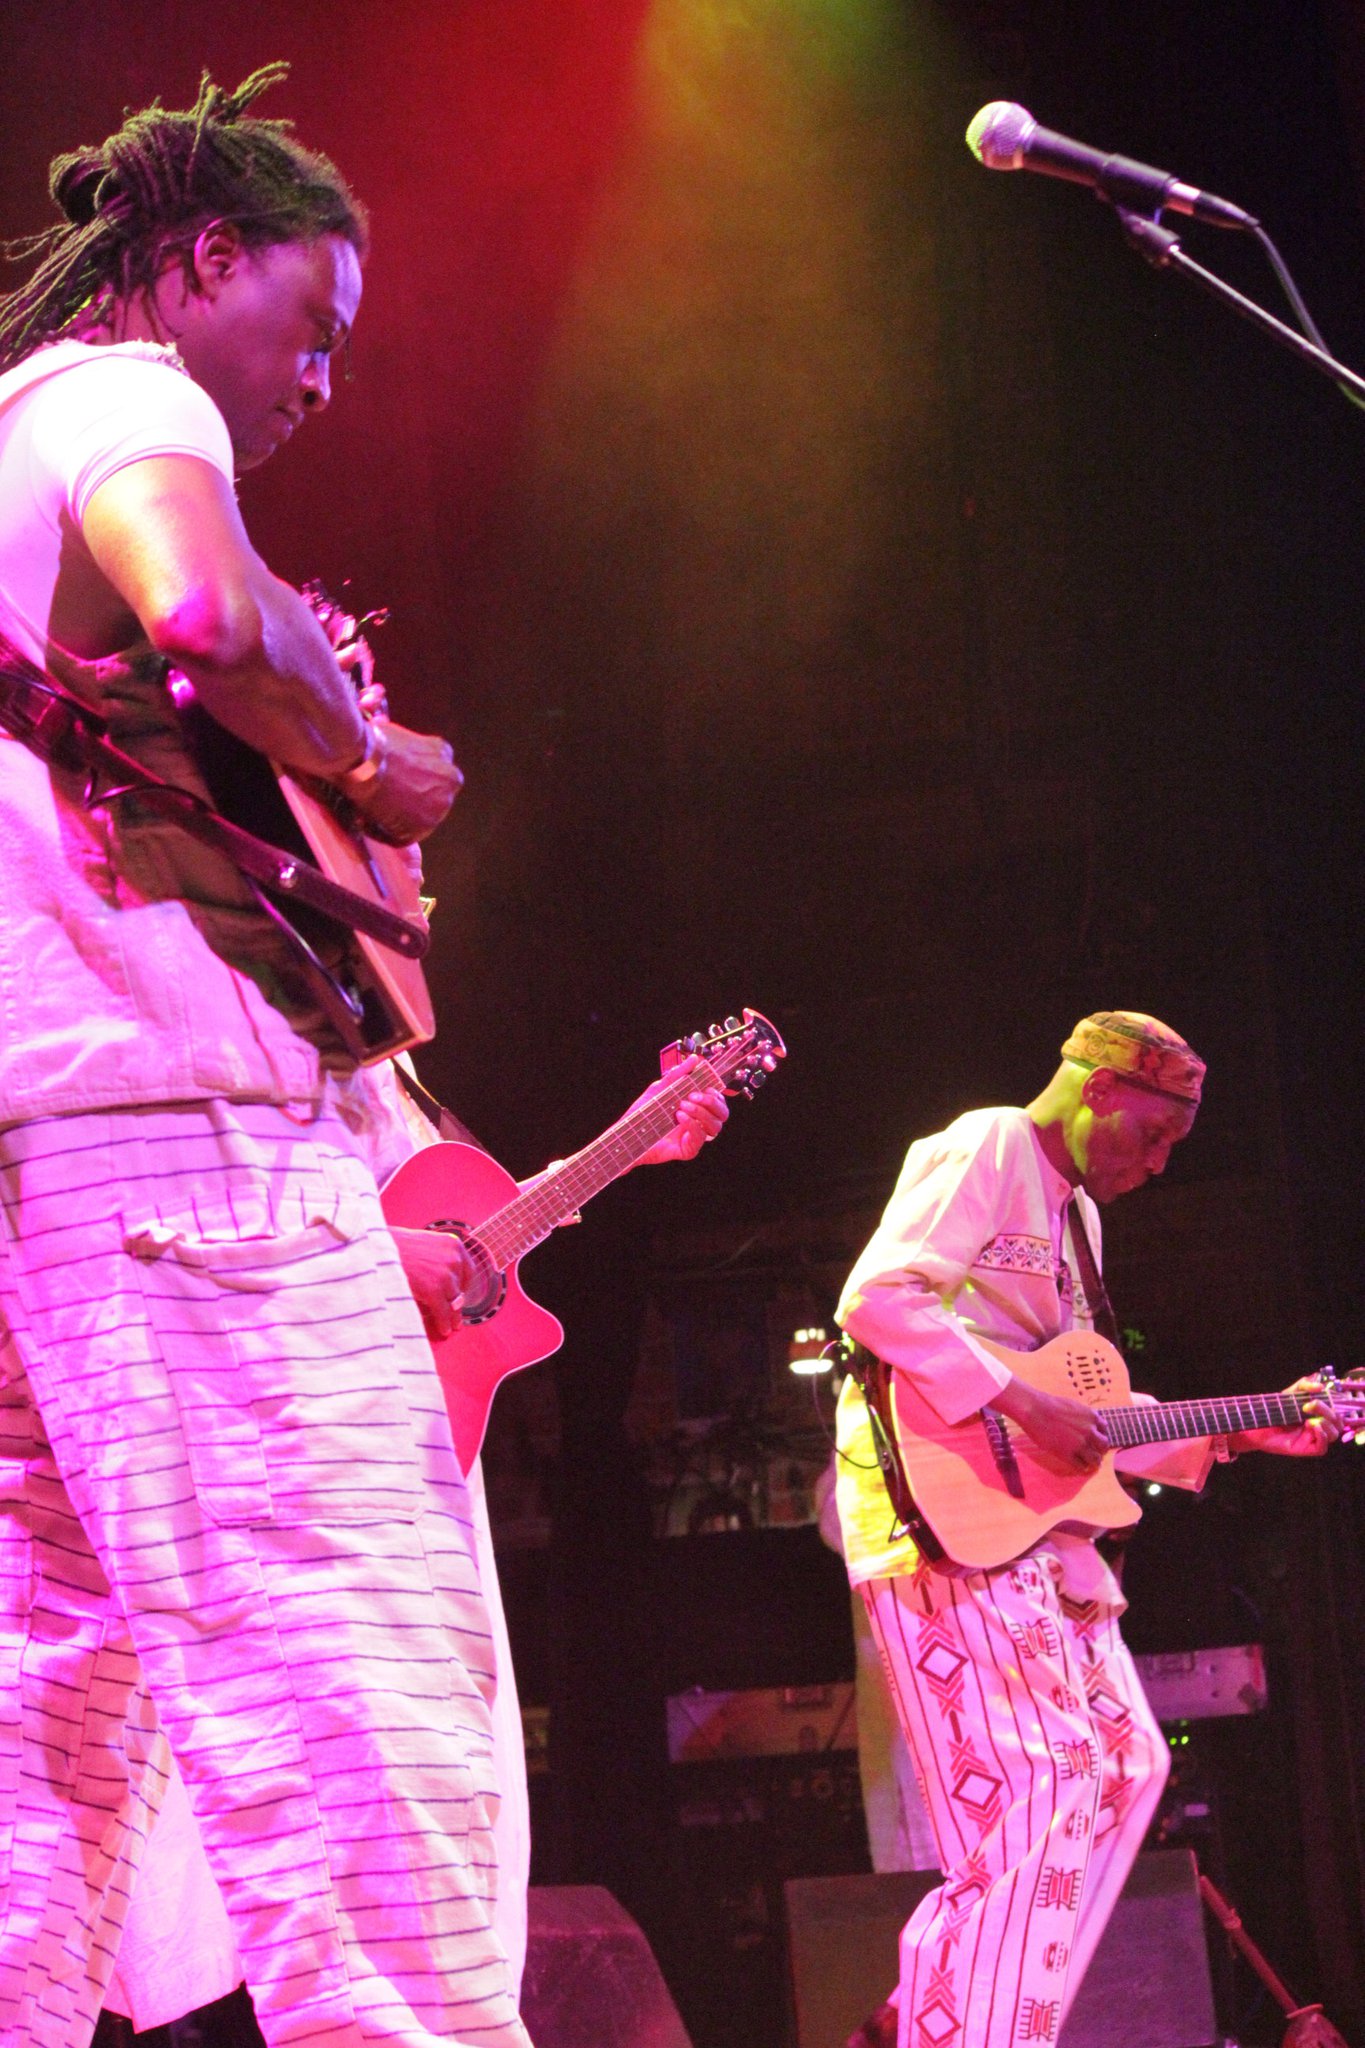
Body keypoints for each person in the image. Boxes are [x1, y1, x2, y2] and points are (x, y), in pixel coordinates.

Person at [0, 67, 724, 2048]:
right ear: (195, 261)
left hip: (52, 1184)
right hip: (190, 1161)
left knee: (49, 1783)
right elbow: (207, 610)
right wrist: (363, 749)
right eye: (308, 321)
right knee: (360, 1721)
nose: (320, 378)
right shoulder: (119, 396)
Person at [833, 1012, 1339, 2048]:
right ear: (1099, 1088)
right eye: (1152, 1134)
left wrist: (1238, 1433)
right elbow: (878, 1300)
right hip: (937, 1523)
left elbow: (1087, 1420)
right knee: (1048, 1785)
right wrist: (1021, 1404)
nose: (1156, 1164)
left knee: (1124, 1764)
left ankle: (937, 2012)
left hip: (1035, 1536)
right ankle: (963, 2026)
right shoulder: (990, 1142)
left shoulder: (1079, 1223)